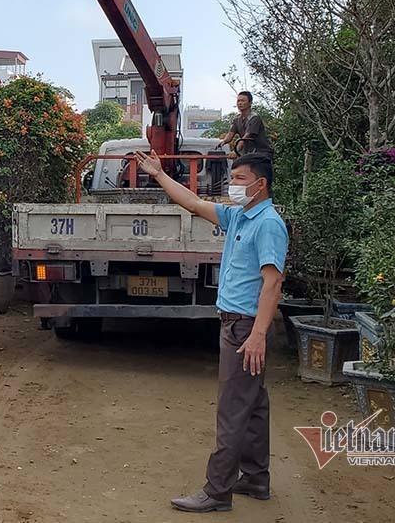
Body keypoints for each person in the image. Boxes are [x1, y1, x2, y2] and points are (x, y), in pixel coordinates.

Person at [134, 150, 287, 514]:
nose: (231, 185)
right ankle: (256, 477)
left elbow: (273, 282)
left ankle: (217, 491)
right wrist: (157, 174)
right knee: (253, 405)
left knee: (233, 408)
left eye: (239, 179)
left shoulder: (268, 223)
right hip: (238, 323)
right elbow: (192, 202)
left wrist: (258, 335)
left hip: (245, 327)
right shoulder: (240, 216)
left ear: (260, 184)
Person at [216, 91, 273, 157]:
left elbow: (246, 137)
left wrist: (235, 151)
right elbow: (230, 134)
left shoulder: (254, 118)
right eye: (238, 101)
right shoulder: (237, 119)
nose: (240, 103)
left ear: (250, 103)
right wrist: (222, 142)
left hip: (261, 154)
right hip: (248, 153)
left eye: (243, 101)